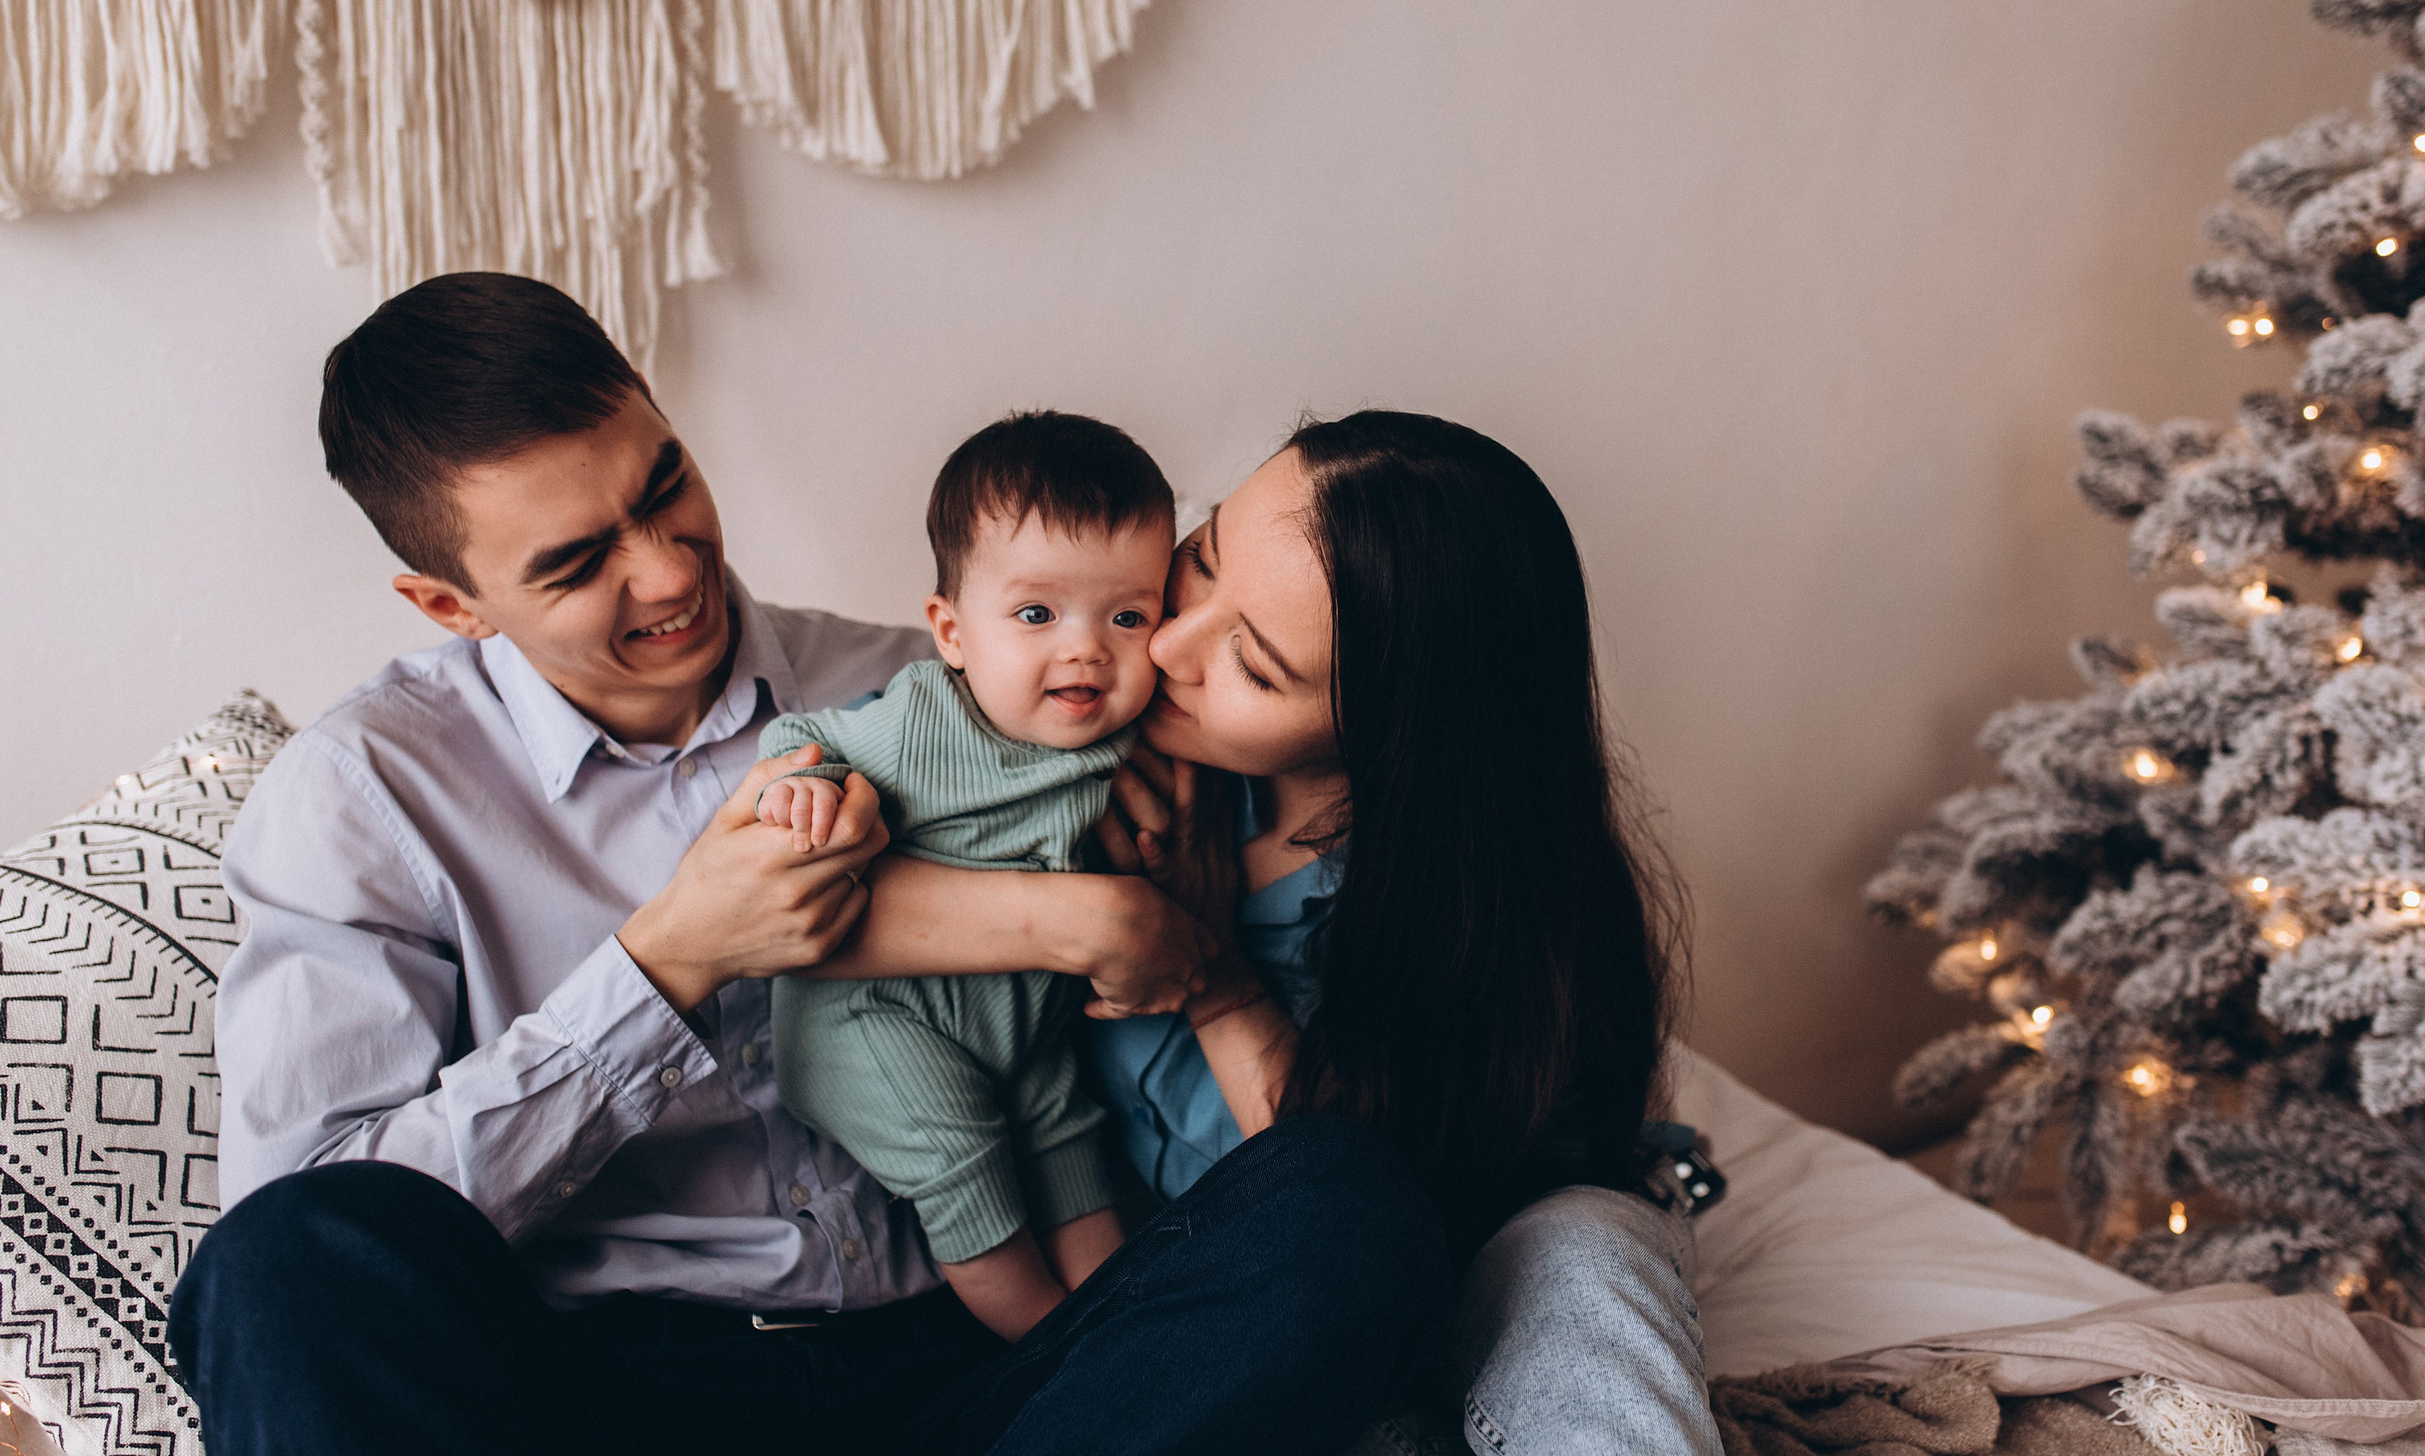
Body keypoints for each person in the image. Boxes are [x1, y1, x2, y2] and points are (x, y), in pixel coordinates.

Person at [170, 274, 1448, 1456]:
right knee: (281, 1266)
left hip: (983, 1377)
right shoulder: (364, 796)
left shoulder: (946, 683)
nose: (668, 571)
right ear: (452, 605)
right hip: (599, 1392)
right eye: (577, 562)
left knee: (1344, 1206)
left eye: (664, 486)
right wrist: (663, 965)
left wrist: (1162, 884)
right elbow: (324, 1225)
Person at [1086, 410, 1723, 1455]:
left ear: (1392, 729)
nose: (1167, 646)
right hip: (1190, 1306)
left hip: (1436, 1257)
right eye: (1202, 557)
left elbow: (1353, 1220)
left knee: (1591, 1248)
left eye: (1254, 666)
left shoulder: (1472, 904)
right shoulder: (1083, 705)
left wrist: (1212, 977)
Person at [753, 412, 1177, 1337]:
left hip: (1020, 1020)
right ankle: (1058, 1361)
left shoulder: (1119, 736)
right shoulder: (923, 723)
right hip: (872, 1019)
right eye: (1036, 614)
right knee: (963, 1157)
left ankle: (1131, 1342)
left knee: (1068, 1140)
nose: (1086, 648)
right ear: (950, 632)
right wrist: (804, 787)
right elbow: (801, 734)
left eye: (1128, 616)